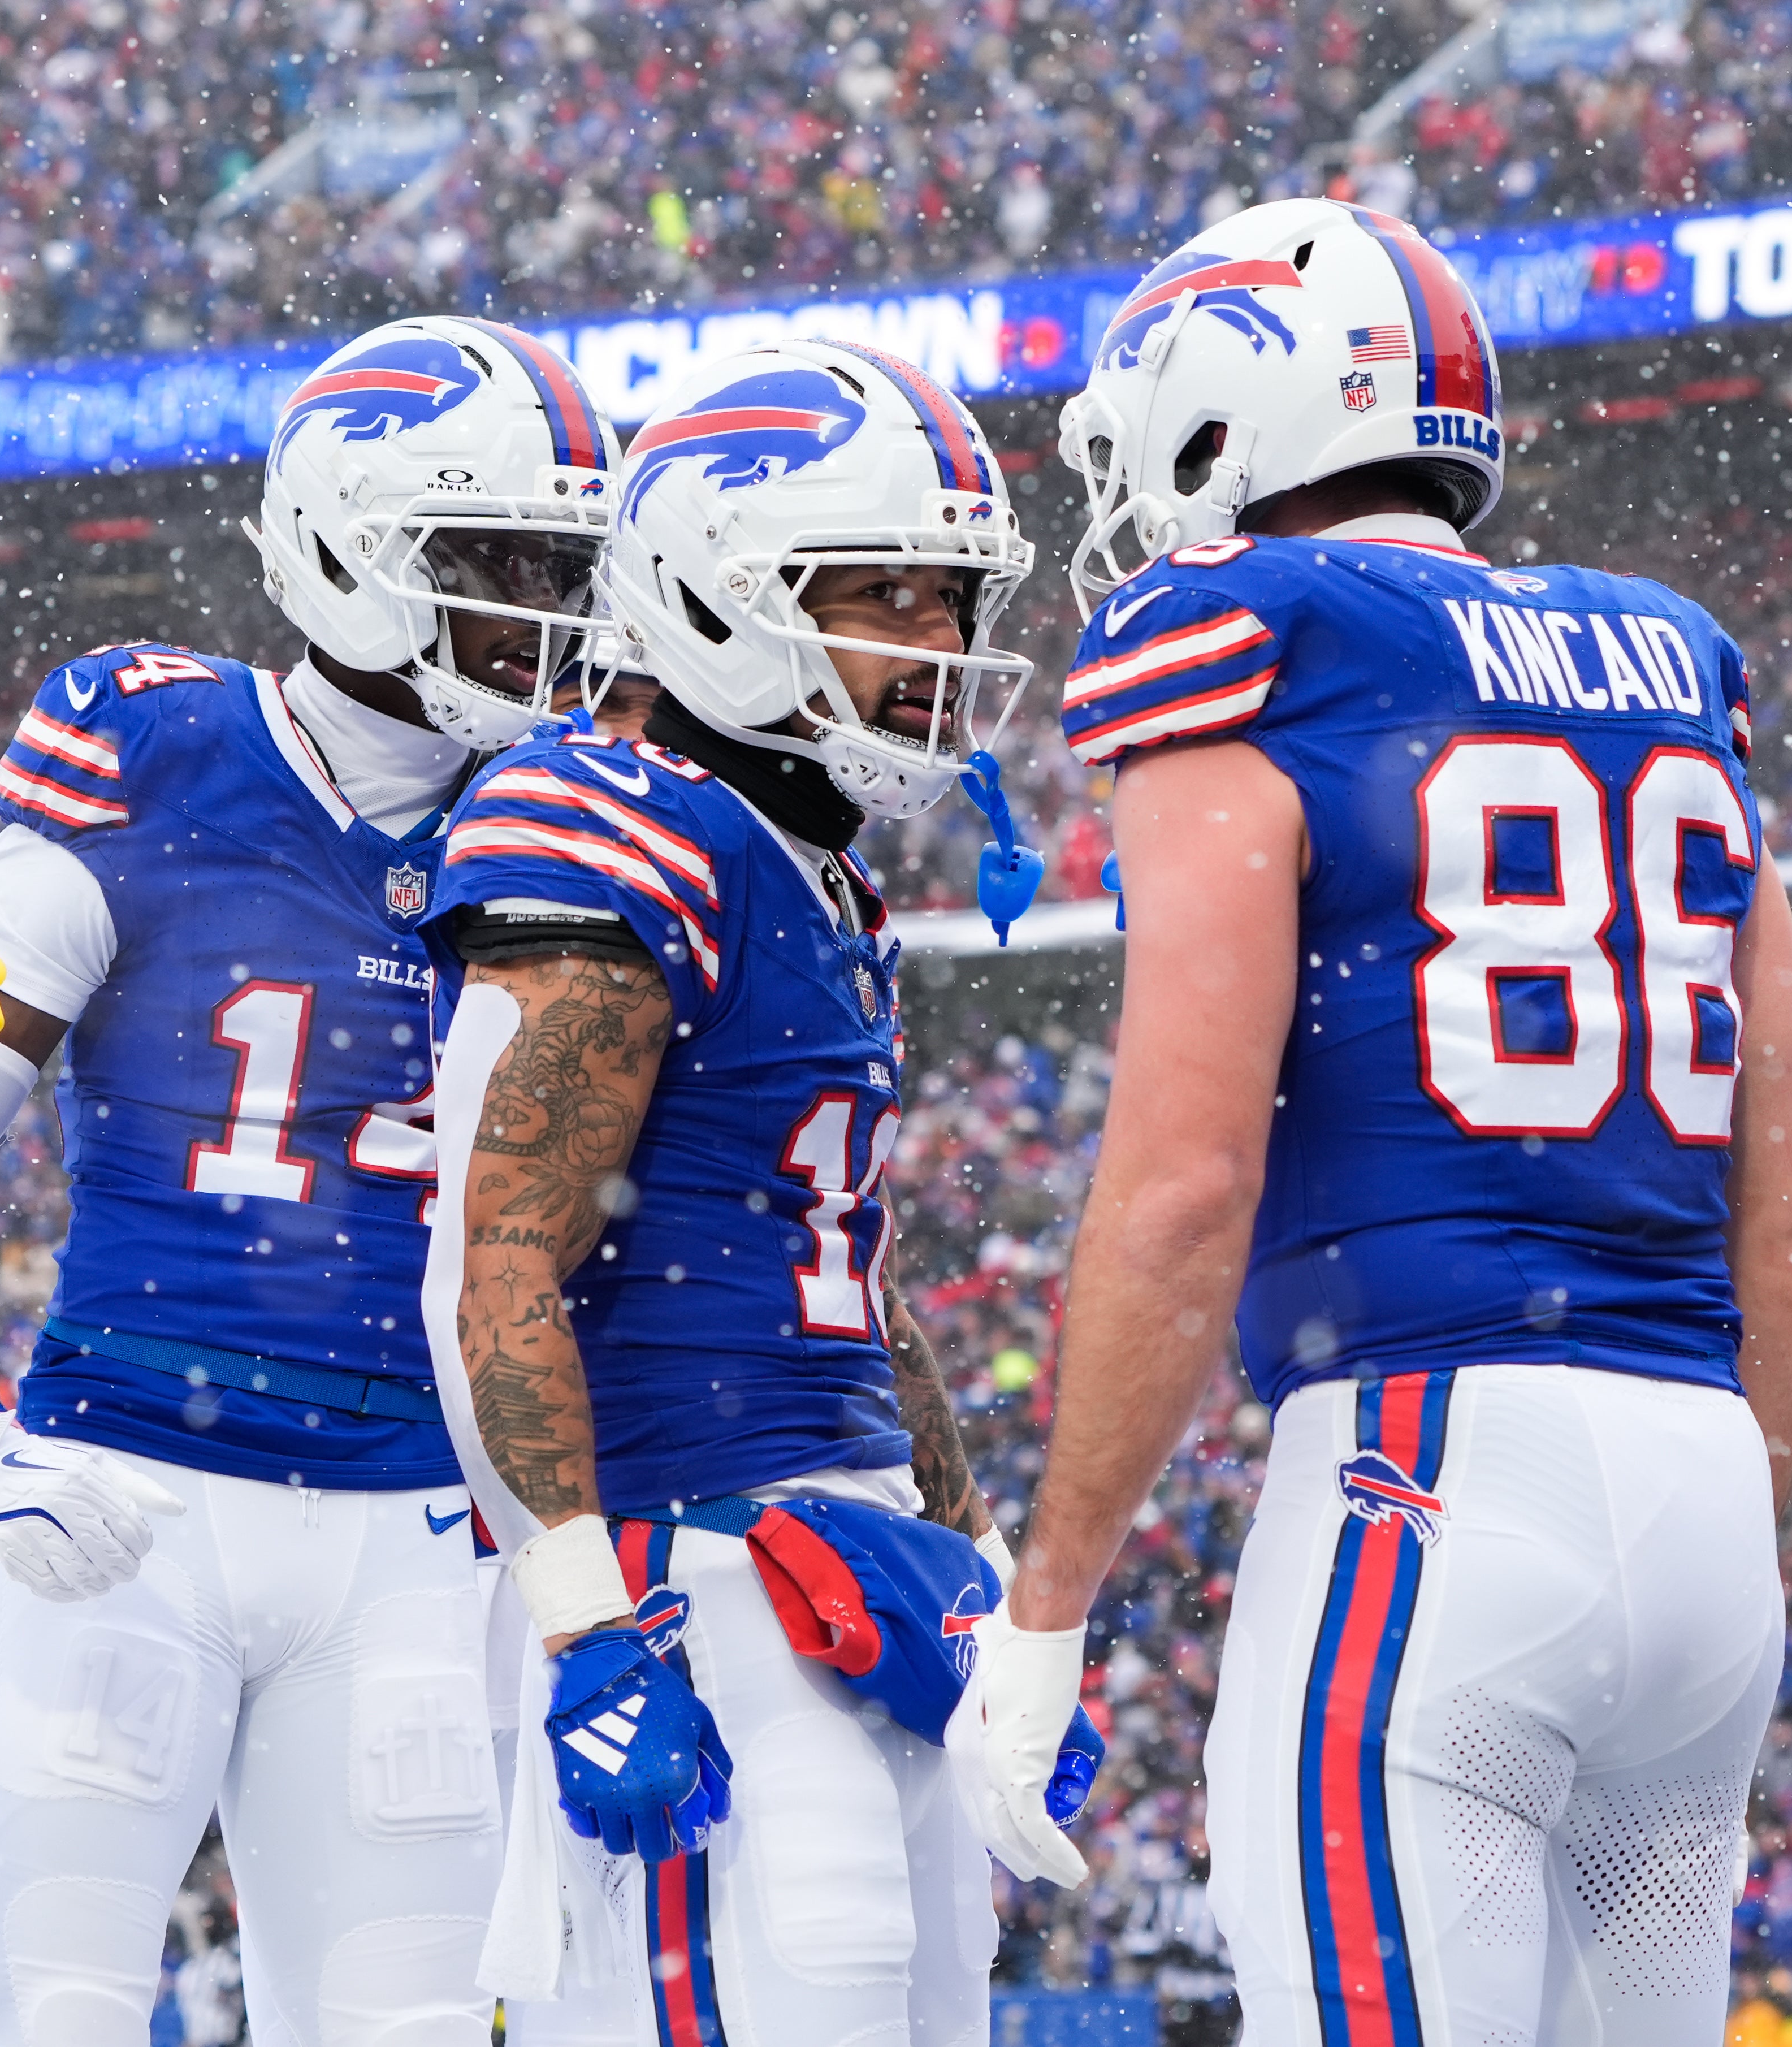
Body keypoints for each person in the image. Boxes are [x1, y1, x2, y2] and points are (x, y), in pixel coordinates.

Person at [951, 197, 1792, 2046]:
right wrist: (1718, 1525)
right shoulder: (1675, 660)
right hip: (1698, 1486)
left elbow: (1187, 1185)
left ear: (1223, 422)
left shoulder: (1247, 632)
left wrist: (1047, 1615)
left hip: (1429, 1477)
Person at [0, 314, 617, 2046]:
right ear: (346, 554)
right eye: (496, 561)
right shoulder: (157, 756)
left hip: (413, 1540)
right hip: (125, 1510)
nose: (544, 612)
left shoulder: (562, 833)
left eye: (564, 564)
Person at [422, 336, 1056, 2045]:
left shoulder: (805, 858)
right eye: (886, 597)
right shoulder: (609, 820)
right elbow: (489, 1264)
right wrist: (583, 1623)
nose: (935, 648)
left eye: (949, 600)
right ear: (718, 591)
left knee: (926, 2009)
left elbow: (843, 1260)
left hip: (854, 1558)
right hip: (685, 1565)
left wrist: (980, 1559)